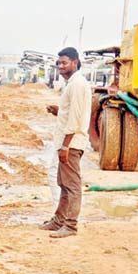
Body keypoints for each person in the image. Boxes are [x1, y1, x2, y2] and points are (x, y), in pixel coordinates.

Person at [40, 47, 92, 238]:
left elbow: (76, 118)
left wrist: (65, 145)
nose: (61, 67)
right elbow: (71, 112)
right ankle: (59, 220)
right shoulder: (72, 84)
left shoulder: (78, 84)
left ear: (75, 62)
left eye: (65, 63)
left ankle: (70, 225)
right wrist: (58, 111)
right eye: (59, 63)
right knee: (63, 183)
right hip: (67, 142)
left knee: (71, 185)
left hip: (71, 143)